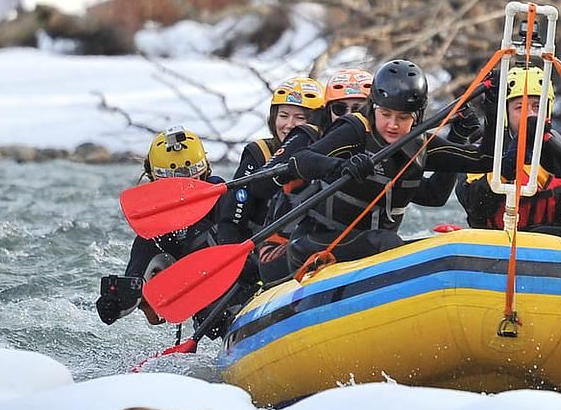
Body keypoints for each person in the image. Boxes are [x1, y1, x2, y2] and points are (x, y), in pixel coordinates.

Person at [261, 59, 486, 285]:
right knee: (385, 242)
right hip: (316, 243)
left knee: (424, 244)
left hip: (370, 248)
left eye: (402, 117)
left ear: (415, 117)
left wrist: (477, 121)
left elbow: (437, 194)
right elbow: (299, 161)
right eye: (386, 114)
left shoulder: (415, 144)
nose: (393, 125)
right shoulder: (350, 131)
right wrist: (341, 167)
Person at [456, 64, 561, 247]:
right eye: (519, 107)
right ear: (505, 112)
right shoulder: (481, 155)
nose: (530, 115)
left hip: (555, 252)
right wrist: (508, 168)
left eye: (537, 106)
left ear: (548, 109)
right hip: (493, 248)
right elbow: (475, 206)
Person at [96, 125, 224, 324]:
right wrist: (114, 303)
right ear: (155, 181)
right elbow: (136, 280)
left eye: (192, 177)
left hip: (241, 285)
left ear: (205, 171)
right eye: (172, 182)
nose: (184, 190)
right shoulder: (153, 234)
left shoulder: (228, 199)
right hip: (206, 306)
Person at [216, 75, 326, 240]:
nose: (289, 124)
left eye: (300, 118)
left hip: (309, 244)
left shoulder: (329, 155)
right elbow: (233, 219)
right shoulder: (260, 152)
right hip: (259, 245)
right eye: (283, 116)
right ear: (274, 118)